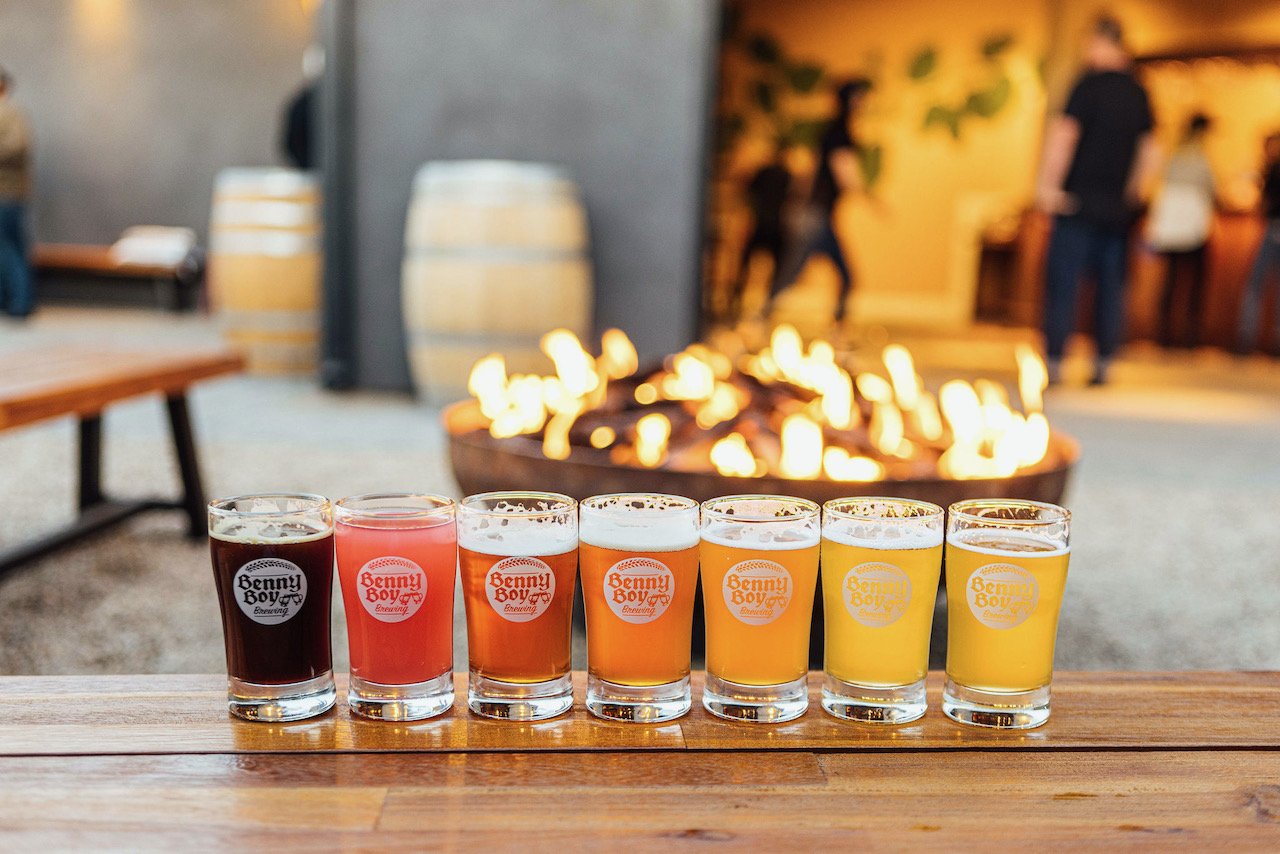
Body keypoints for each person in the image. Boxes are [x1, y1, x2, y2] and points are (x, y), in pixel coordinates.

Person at [1035, 17, 1159, 385]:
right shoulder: (1139, 91)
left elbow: (1064, 137)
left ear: (1102, 42)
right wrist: (1134, 193)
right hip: (1117, 211)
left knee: (1064, 284)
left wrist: (1048, 187)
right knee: (1110, 288)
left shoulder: (1086, 86)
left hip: (1076, 203)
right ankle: (1104, 362)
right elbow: (1150, 151)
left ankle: (1056, 360)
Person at [769, 78, 870, 325]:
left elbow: (810, 172)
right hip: (816, 216)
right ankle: (763, 314)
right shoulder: (840, 132)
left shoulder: (831, 131)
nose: (864, 103)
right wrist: (872, 198)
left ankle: (837, 323)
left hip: (817, 213)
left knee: (802, 270)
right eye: (859, 97)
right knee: (800, 271)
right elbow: (843, 173)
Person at [1146, 113, 1216, 349]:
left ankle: (1163, 334)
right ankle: (1188, 336)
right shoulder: (1201, 156)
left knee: (1171, 280)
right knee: (1194, 282)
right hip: (1192, 225)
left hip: (1172, 225)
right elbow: (1211, 189)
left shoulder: (1175, 153)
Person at [727, 145, 791, 319]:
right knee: (777, 270)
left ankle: (734, 300)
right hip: (777, 225)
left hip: (760, 223)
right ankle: (769, 303)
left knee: (745, 266)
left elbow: (747, 192)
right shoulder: (787, 175)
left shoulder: (762, 172)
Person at [1235, 132, 1280, 355]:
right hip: (1272, 228)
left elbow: (1265, 204)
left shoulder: (1274, 168)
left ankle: (1246, 339)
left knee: (1255, 285)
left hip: (1274, 229)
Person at [0, 64, 33, 319]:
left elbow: (16, 147)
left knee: (8, 247)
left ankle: (20, 303)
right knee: (11, 247)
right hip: (9, 194)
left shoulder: (9, 113)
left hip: (6, 194)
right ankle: (14, 300)